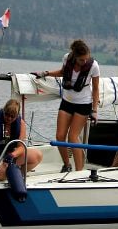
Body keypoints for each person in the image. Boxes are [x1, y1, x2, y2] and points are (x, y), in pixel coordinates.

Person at [33, 39, 100, 172]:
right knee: (60, 136)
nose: (84, 62)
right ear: (74, 56)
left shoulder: (94, 66)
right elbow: (63, 72)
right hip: (67, 101)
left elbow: (96, 89)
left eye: (86, 59)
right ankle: (66, 164)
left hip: (83, 104)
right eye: (81, 60)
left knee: (73, 136)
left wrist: (95, 110)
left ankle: (79, 170)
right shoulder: (66, 59)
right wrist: (45, 73)